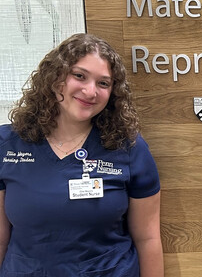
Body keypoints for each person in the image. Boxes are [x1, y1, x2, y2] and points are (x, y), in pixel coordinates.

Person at [0, 33, 163, 276]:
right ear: (55, 78)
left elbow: (148, 238)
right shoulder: (8, 144)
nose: (90, 91)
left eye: (103, 83)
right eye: (79, 76)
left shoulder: (128, 147)